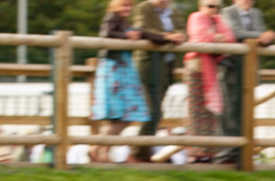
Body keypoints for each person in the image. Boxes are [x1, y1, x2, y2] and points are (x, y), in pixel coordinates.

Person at [90, 0, 151, 163]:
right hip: (115, 69)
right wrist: (126, 36)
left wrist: (166, 37)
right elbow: (105, 33)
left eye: (129, 5)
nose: (127, 8)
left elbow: (144, 34)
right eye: (123, 5)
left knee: (121, 117)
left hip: (122, 69)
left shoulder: (124, 22)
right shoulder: (111, 17)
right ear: (114, 6)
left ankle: (101, 151)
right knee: (121, 116)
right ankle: (97, 149)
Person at [219, 0, 275, 164]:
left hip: (249, 69)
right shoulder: (227, 12)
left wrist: (268, 38)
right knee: (231, 111)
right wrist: (261, 36)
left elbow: (263, 35)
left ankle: (243, 153)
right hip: (231, 68)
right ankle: (228, 153)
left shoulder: (256, 13)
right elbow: (235, 32)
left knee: (246, 110)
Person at [131, 0, 186, 163]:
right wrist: (168, 37)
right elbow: (143, 30)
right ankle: (139, 152)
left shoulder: (173, 10)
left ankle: (143, 151)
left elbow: (182, 30)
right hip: (148, 66)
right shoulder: (145, 8)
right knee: (153, 111)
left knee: (156, 112)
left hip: (166, 68)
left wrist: (180, 35)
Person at [185, 0, 235, 163]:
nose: (214, 10)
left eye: (217, 7)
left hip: (211, 70)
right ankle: (195, 152)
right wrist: (217, 38)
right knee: (196, 110)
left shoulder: (218, 20)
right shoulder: (196, 17)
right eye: (210, 6)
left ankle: (208, 151)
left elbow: (230, 38)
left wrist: (216, 38)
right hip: (197, 68)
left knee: (209, 112)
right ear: (201, 7)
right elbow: (201, 37)